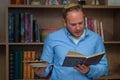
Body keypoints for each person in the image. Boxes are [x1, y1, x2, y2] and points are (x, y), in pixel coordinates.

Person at [33, 3, 108, 80]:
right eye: (73, 24)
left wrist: (89, 70)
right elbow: (46, 68)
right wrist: (41, 72)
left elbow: (104, 69)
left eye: (80, 23)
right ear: (64, 23)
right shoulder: (52, 38)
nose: (78, 28)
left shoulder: (96, 38)